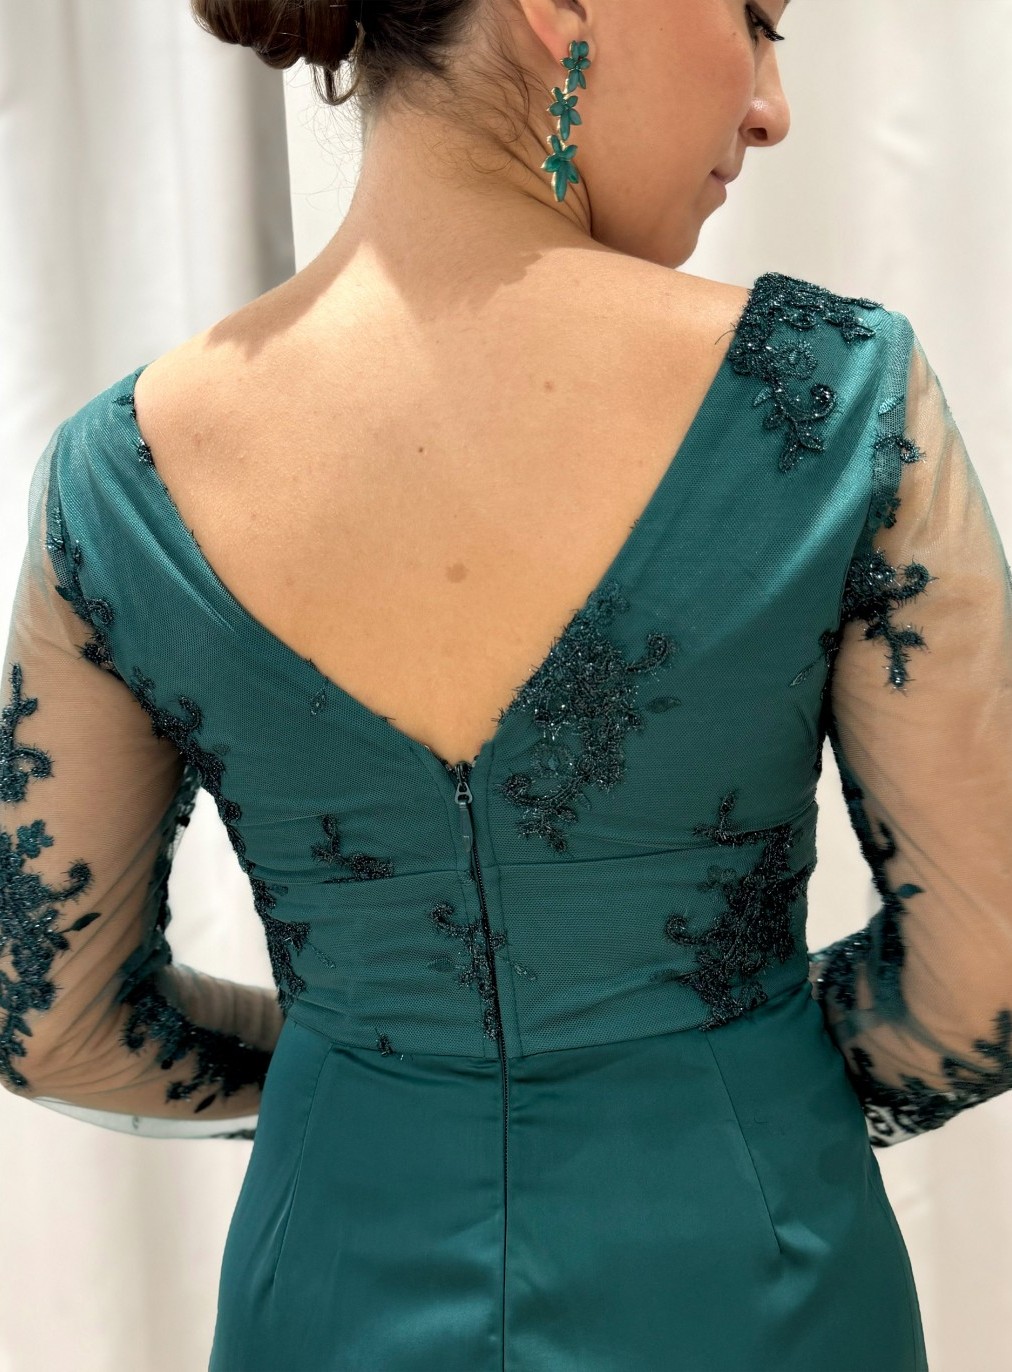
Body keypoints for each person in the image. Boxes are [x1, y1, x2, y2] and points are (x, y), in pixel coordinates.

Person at [2, 1, 1009, 1367]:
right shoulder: (836, 396)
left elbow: (48, 1023)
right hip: (754, 1278)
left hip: (328, 1284)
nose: (771, 105)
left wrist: (363, 1065)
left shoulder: (112, 480)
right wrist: (728, 1062)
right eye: (755, 18)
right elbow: (989, 977)